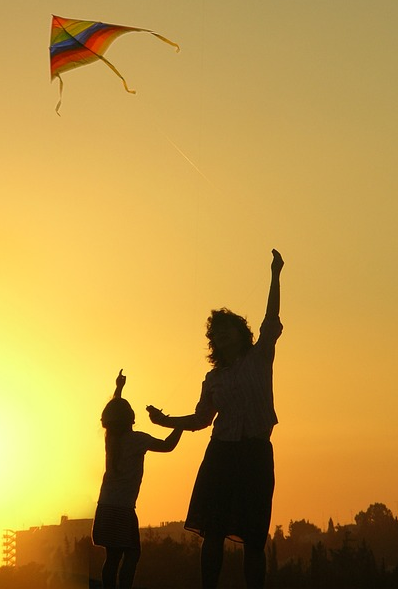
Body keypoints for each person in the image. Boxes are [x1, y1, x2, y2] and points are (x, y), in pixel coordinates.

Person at [147, 249, 284, 589]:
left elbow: (271, 319)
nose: (220, 335)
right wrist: (165, 422)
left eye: (226, 329)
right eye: (216, 333)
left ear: (240, 333)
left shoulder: (259, 357)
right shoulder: (213, 379)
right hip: (220, 455)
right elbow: (200, 419)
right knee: (213, 532)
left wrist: (275, 275)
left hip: (254, 453)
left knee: (254, 536)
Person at [92, 370, 183, 589]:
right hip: (123, 509)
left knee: (112, 558)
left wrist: (119, 388)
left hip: (105, 508)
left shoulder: (110, 440)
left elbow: (115, 410)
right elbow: (168, 446)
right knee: (132, 554)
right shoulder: (137, 440)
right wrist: (181, 424)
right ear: (131, 418)